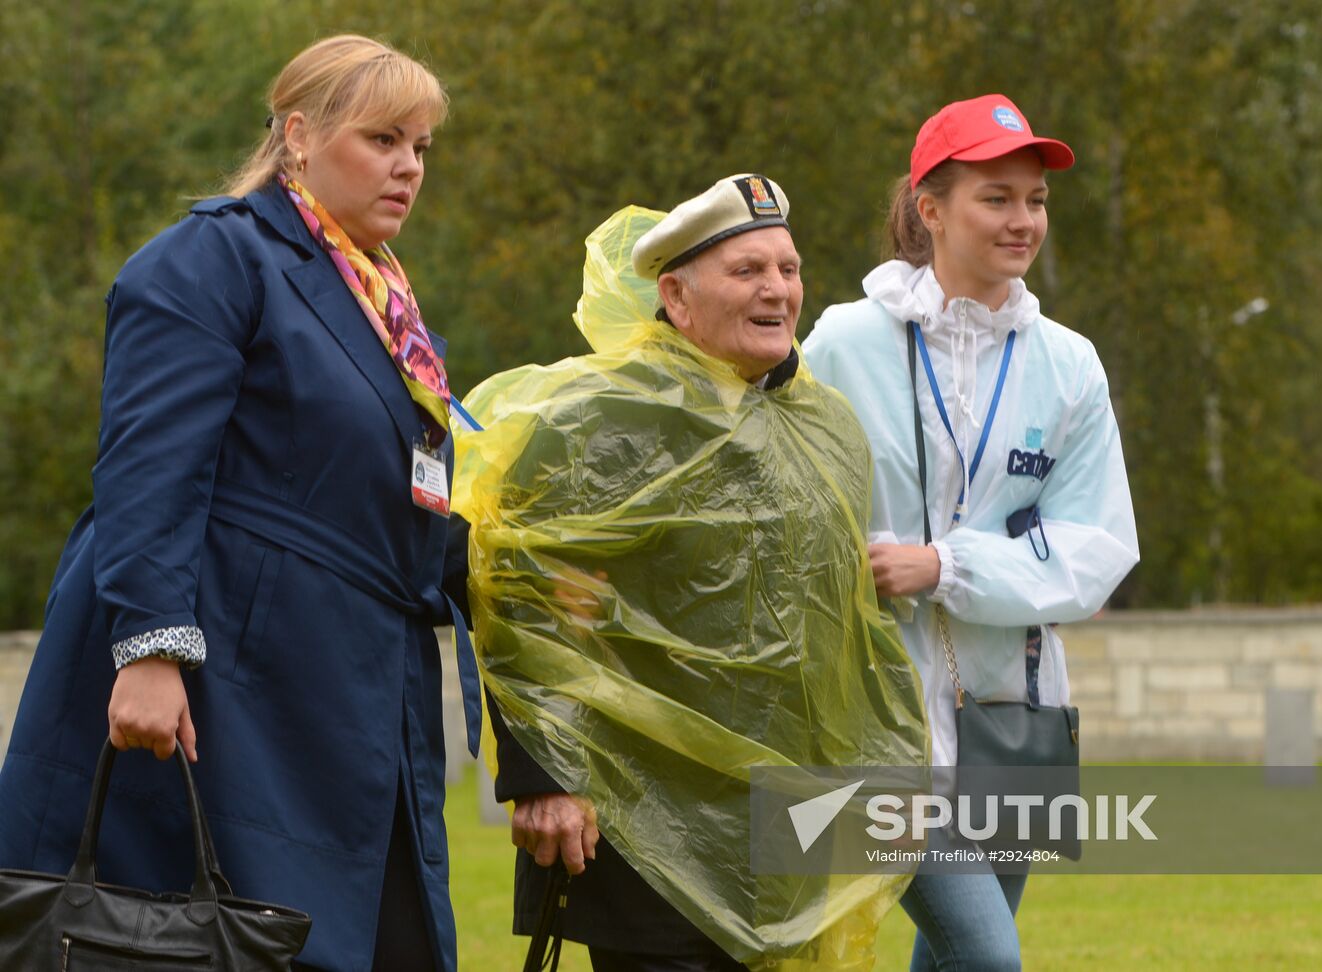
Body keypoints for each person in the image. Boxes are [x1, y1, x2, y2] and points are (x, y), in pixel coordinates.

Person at [0, 35, 479, 972]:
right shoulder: (213, 259)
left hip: (355, 686)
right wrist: (150, 647)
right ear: (299, 136)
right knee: (202, 940)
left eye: (421, 146)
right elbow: (150, 466)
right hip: (226, 683)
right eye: (384, 138)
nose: (409, 167)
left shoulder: (388, 307)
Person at [453, 176, 929, 971]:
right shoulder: (603, 420)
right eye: (747, 271)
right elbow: (524, 604)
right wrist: (541, 775)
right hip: (645, 818)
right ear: (675, 294)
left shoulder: (827, 427)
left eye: (789, 267)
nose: (778, 288)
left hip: (790, 818)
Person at [802, 95, 1140, 971]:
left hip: (1013, 712)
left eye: (1035, 200)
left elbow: (1097, 545)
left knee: (952, 959)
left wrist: (947, 567)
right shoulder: (843, 340)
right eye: (996, 198)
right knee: (989, 957)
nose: (1022, 220)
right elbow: (787, 494)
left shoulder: (1070, 363)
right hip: (873, 714)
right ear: (931, 209)